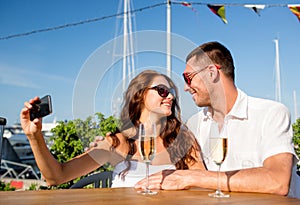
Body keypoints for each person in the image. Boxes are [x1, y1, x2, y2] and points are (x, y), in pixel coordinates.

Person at [135, 42, 299, 196]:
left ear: (212, 73)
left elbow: (278, 181)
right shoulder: (194, 124)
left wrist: (194, 177)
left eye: (188, 78)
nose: (185, 87)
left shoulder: (270, 113)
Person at [20, 69, 204, 188]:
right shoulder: (116, 143)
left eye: (172, 92)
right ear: (140, 95)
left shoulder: (182, 139)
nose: (170, 97)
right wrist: (34, 136)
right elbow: (57, 177)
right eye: (162, 91)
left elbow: (203, 179)